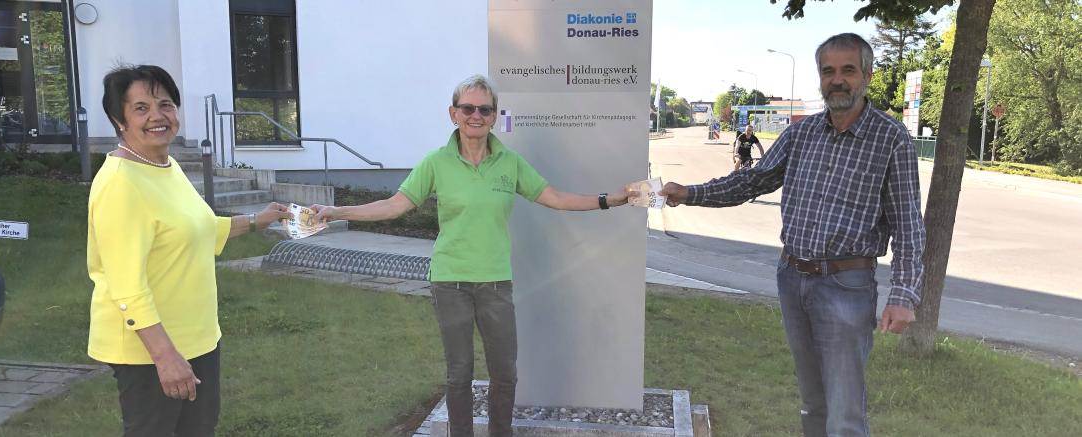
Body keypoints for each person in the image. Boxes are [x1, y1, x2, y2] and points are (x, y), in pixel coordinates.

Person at [310, 74, 629, 437]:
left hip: (496, 283)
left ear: (494, 116)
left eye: (484, 109)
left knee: (505, 373)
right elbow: (395, 205)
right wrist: (336, 211)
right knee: (459, 373)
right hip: (450, 283)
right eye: (468, 108)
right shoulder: (436, 162)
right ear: (454, 114)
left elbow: (554, 198)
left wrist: (608, 200)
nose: (476, 115)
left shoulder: (509, 162)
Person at [653, 33, 926, 437]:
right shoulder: (802, 134)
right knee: (812, 403)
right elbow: (751, 181)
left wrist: (903, 296)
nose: (837, 80)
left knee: (845, 413)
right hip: (793, 278)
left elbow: (908, 225)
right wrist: (690, 193)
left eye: (848, 70)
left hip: (846, 285)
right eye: (828, 71)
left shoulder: (891, 138)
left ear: (867, 75)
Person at [87, 65, 292, 437]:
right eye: (141, 108)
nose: (157, 116)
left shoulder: (166, 166)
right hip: (150, 350)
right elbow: (126, 286)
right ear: (119, 120)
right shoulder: (120, 183)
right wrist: (165, 357)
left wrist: (257, 220)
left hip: (198, 337)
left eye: (165, 104)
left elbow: (199, 228)